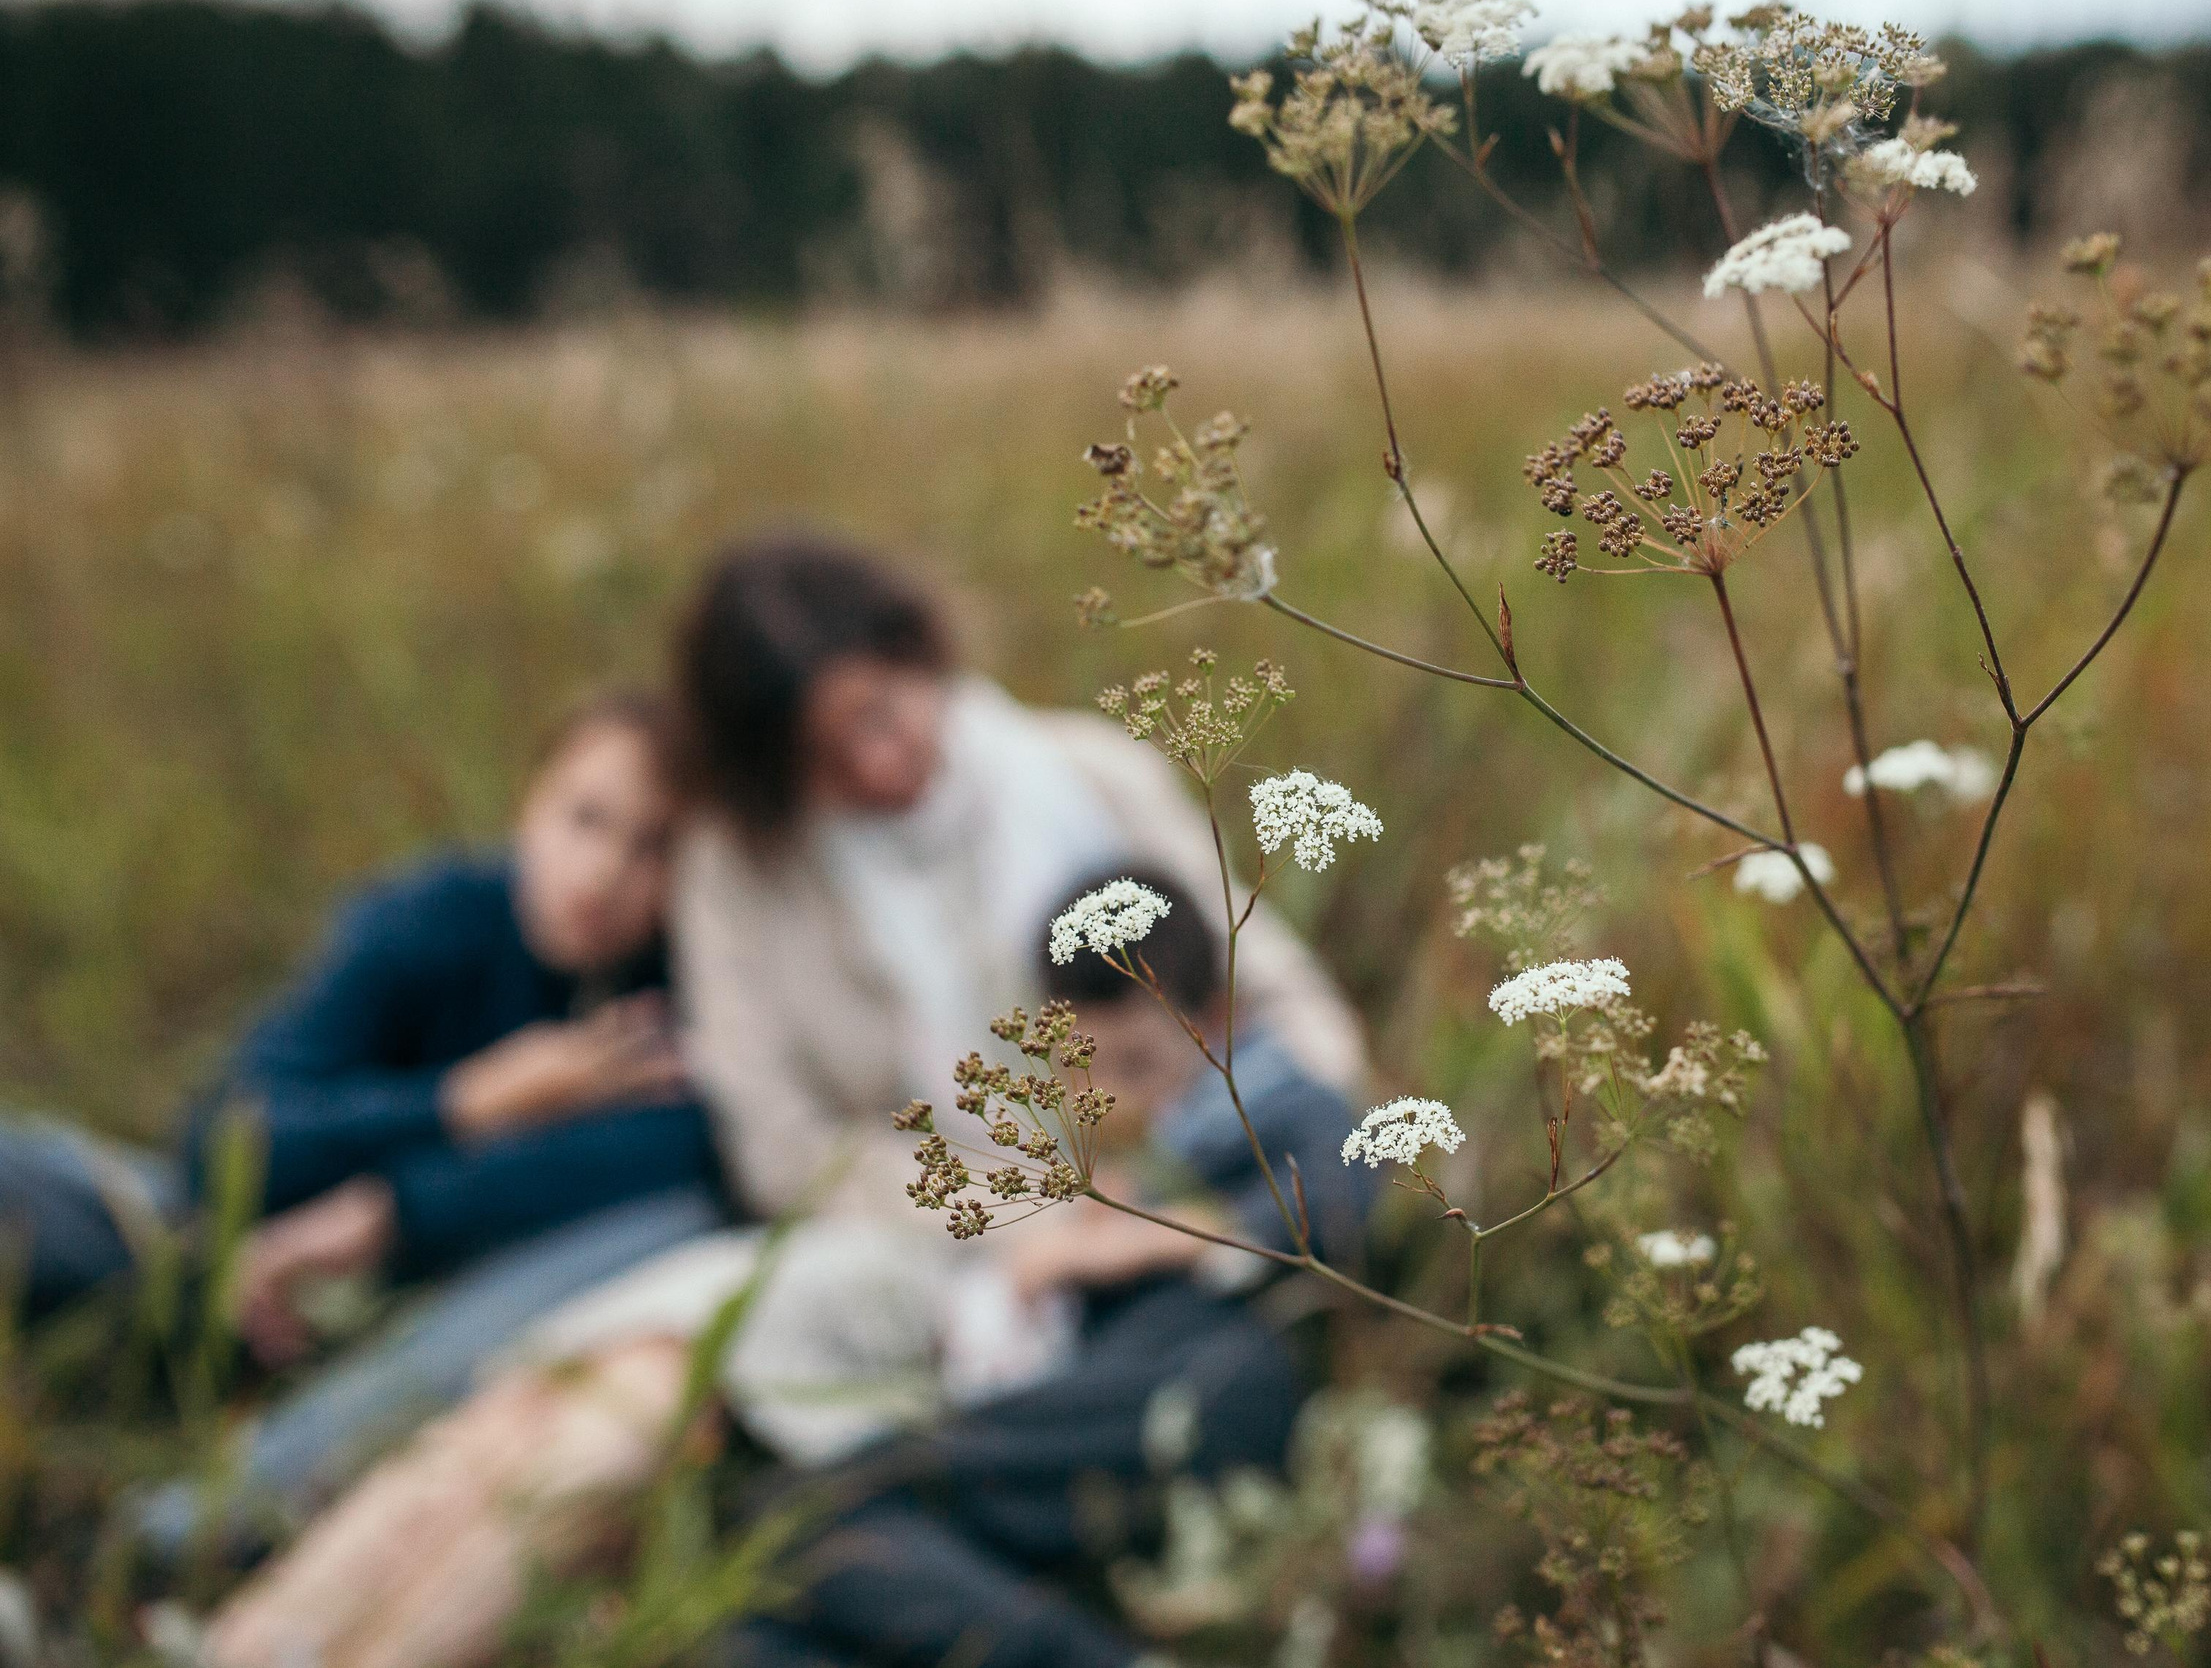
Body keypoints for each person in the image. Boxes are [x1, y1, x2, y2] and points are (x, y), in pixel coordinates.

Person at [201, 534, 1369, 1668]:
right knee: (553, 1397)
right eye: (821, 753)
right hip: (894, 1235)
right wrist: (1034, 1210)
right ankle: (242, 1637)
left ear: (917, 654)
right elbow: (781, 1148)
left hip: (1100, 1255)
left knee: (631, 1419)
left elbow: (1290, 1017)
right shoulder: (742, 868)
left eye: (877, 712)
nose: (871, 764)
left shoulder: (1091, 774)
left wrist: (1172, 1194)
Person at [0, 689, 727, 1542]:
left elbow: (687, 1166)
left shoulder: (680, 1004)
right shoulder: (437, 915)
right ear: (529, 803)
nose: (602, 875)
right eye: (585, 819)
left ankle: (177, 1537)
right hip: (223, 1258)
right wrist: (468, 1099)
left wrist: (388, 1215)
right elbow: (226, 1140)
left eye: (654, 848)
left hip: (426, 1337)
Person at [719, 868, 1376, 1668]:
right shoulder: (1107, 1164)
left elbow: (1341, 1210)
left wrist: (1148, 1239)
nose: (1109, 1097)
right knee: (763, 1622)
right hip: (1087, 1409)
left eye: (1134, 1065)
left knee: (802, 1518)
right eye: (1081, 1071)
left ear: (1216, 1021)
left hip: (1206, 1382)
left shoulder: (1280, 1100)